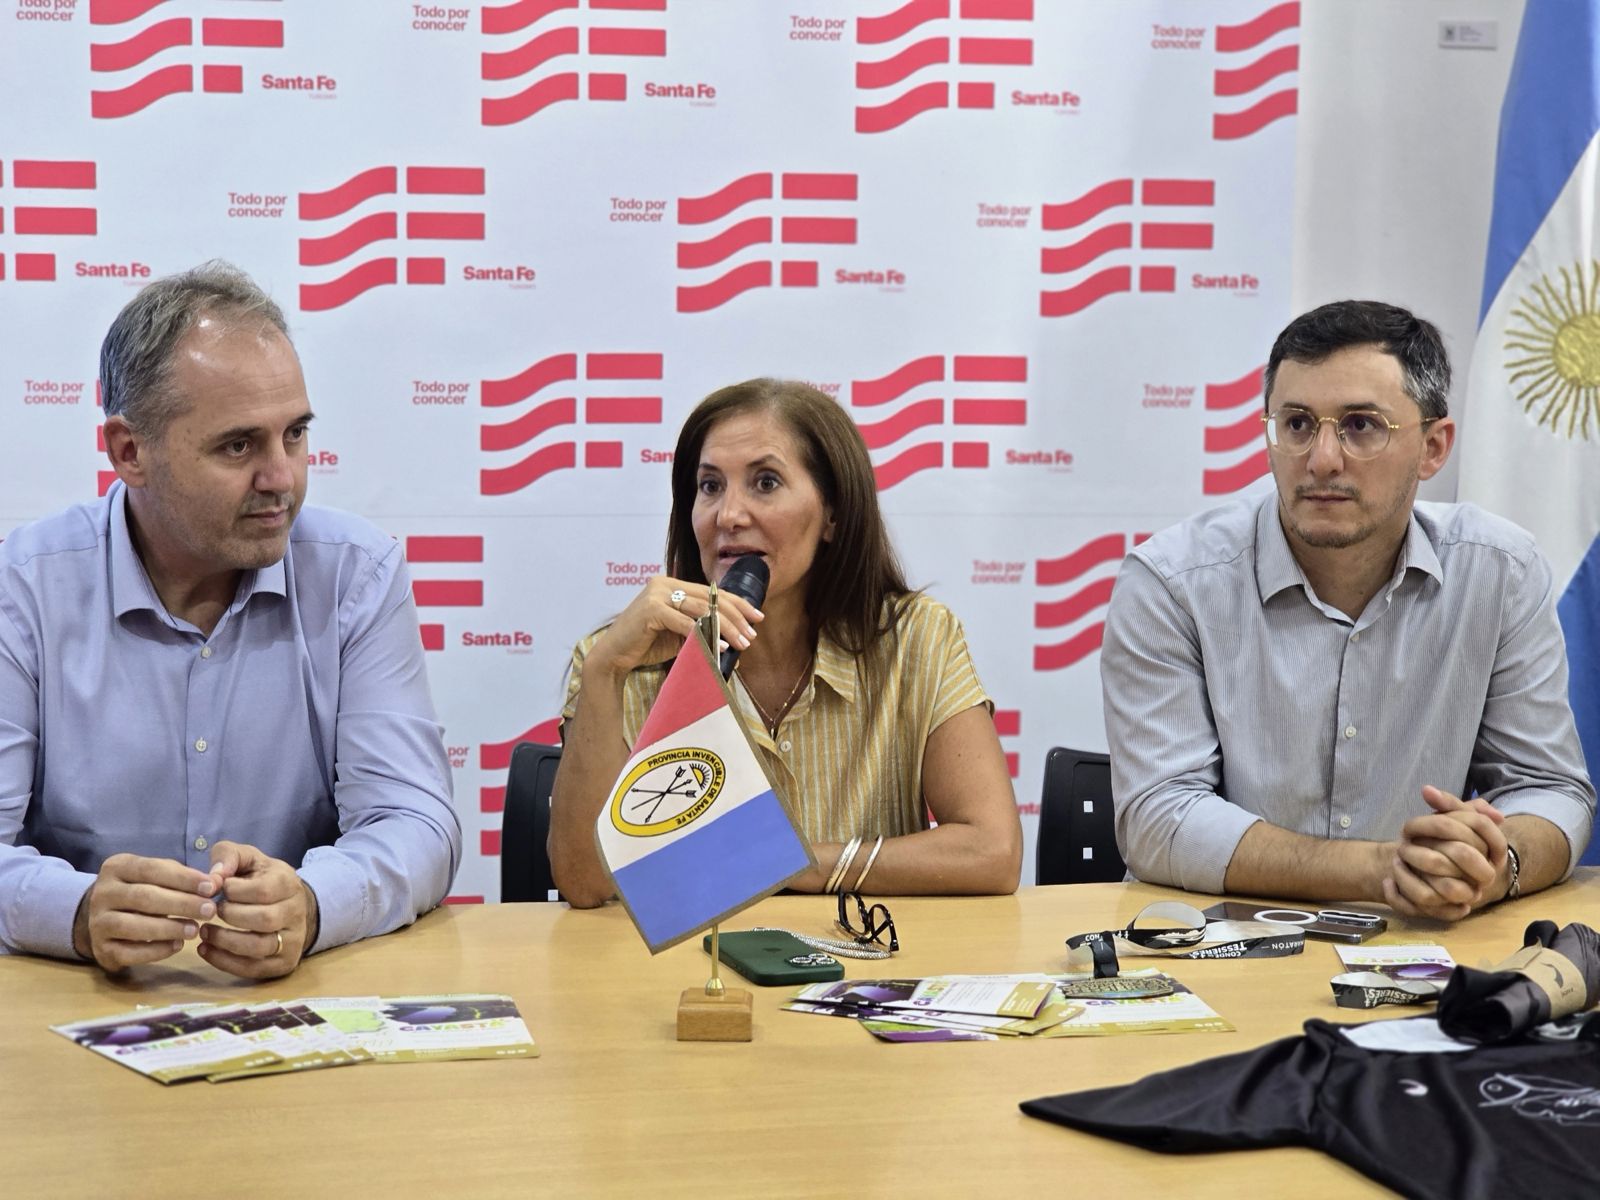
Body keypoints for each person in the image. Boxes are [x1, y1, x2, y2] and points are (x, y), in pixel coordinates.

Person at [0, 262, 461, 978]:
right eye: (238, 446)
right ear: (129, 452)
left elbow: (416, 822)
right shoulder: (24, 587)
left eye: (295, 435)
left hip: (297, 1005)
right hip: (84, 1006)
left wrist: (311, 904)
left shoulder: (357, 574)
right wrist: (80, 912)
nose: (282, 478)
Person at [1101, 300, 1594, 920]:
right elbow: (1158, 818)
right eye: (1297, 424)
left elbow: (1549, 788)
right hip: (1217, 944)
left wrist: (1494, 866)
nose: (1322, 459)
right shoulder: (1173, 582)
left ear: (1433, 446)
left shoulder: (1501, 572)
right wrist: (1382, 869)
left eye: (1361, 425)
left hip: (1424, 941)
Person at [549, 379, 1022, 906]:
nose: (728, 515)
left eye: (766, 482)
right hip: (686, 960)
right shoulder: (619, 659)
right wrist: (606, 673)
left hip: (865, 954)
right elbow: (585, 883)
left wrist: (791, 864)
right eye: (710, 486)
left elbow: (992, 851)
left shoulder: (915, 639)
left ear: (833, 515)